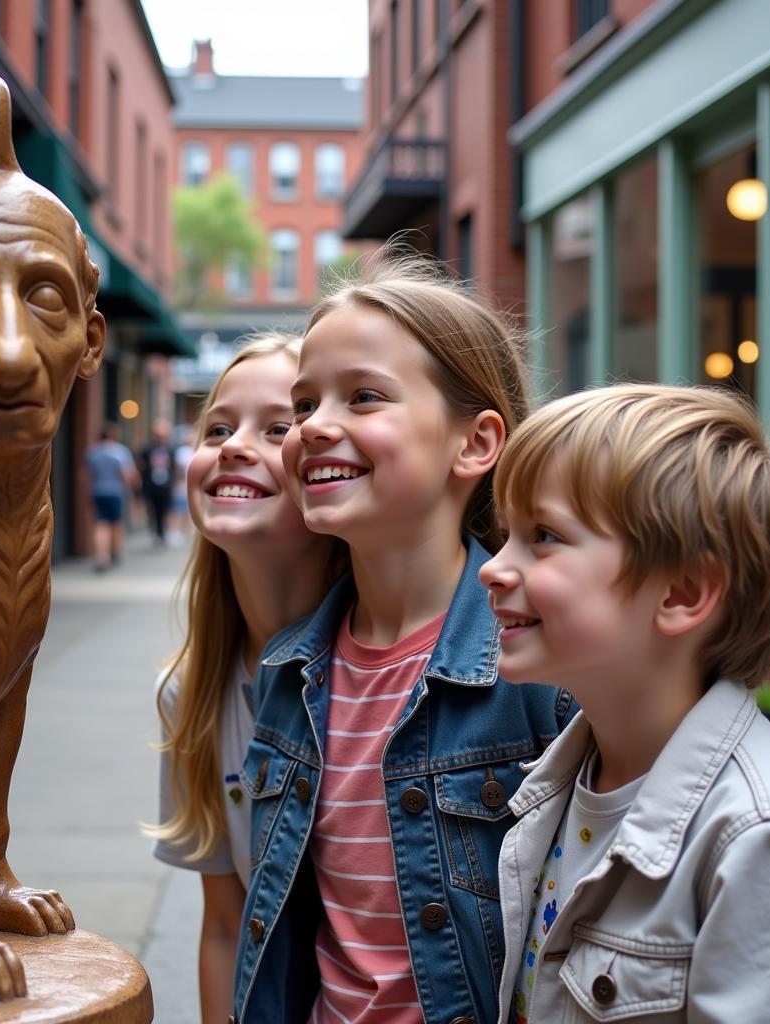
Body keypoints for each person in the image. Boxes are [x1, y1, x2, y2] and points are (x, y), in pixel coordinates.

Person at [231, 251, 575, 1024]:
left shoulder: (545, 667)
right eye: (305, 402)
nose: (315, 426)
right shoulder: (288, 671)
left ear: (475, 444)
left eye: (362, 397)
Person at [478, 383, 770, 1024]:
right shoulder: (563, 783)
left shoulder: (768, 837)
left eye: (544, 536)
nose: (493, 568)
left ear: (683, 593)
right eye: (507, 535)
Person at [147, 334, 344, 1023]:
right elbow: (227, 928)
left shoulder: (383, 670)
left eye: (278, 428)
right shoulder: (189, 694)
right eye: (218, 427)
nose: (233, 445)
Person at [84, 422, 138, 571]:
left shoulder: (93, 452)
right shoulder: (121, 451)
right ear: (114, 436)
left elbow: (87, 475)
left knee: (101, 524)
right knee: (116, 523)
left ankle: (102, 557)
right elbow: (126, 474)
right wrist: (130, 490)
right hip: (116, 492)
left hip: (98, 490)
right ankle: (115, 552)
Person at [138, 418, 175, 545]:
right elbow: (141, 466)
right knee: (153, 510)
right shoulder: (147, 449)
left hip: (166, 485)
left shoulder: (170, 449)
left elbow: (174, 467)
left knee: (164, 509)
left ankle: (163, 533)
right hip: (151, 486)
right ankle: (156, 533)